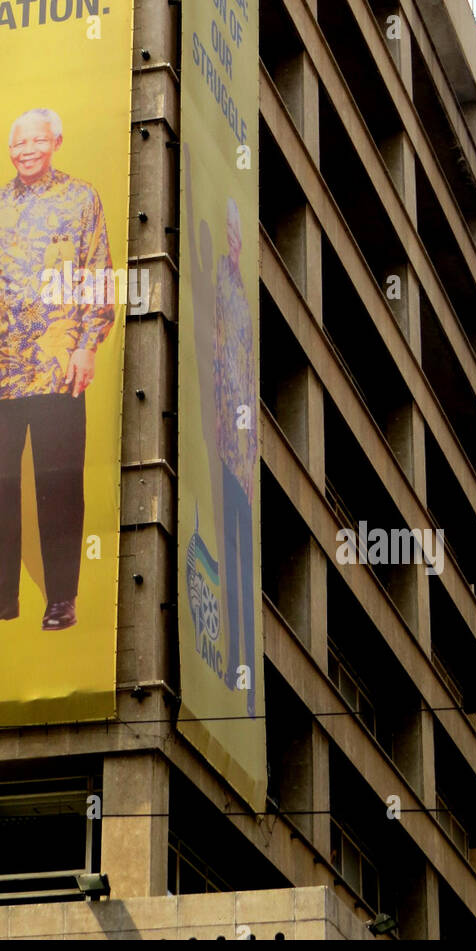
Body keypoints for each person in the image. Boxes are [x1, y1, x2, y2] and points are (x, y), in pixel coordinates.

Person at [0, 108, 115, 632]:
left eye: (35, 141)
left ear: (57, 142)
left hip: (57, 369)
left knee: (59, 486)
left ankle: (60, 598)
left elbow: (99, 276)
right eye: (17, 143)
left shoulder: (81, 200)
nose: (25, 150)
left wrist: (88, 346)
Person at [213, 196, 258, 715]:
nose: (232, 238)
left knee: (242, 575)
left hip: (242, 460)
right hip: (225, 450)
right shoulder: (222, 286)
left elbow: (242, 371)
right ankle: (231, 670)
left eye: (235, 229)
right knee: (229, 572)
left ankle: (243, 681)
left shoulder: (242, 293)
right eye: (227, 229)